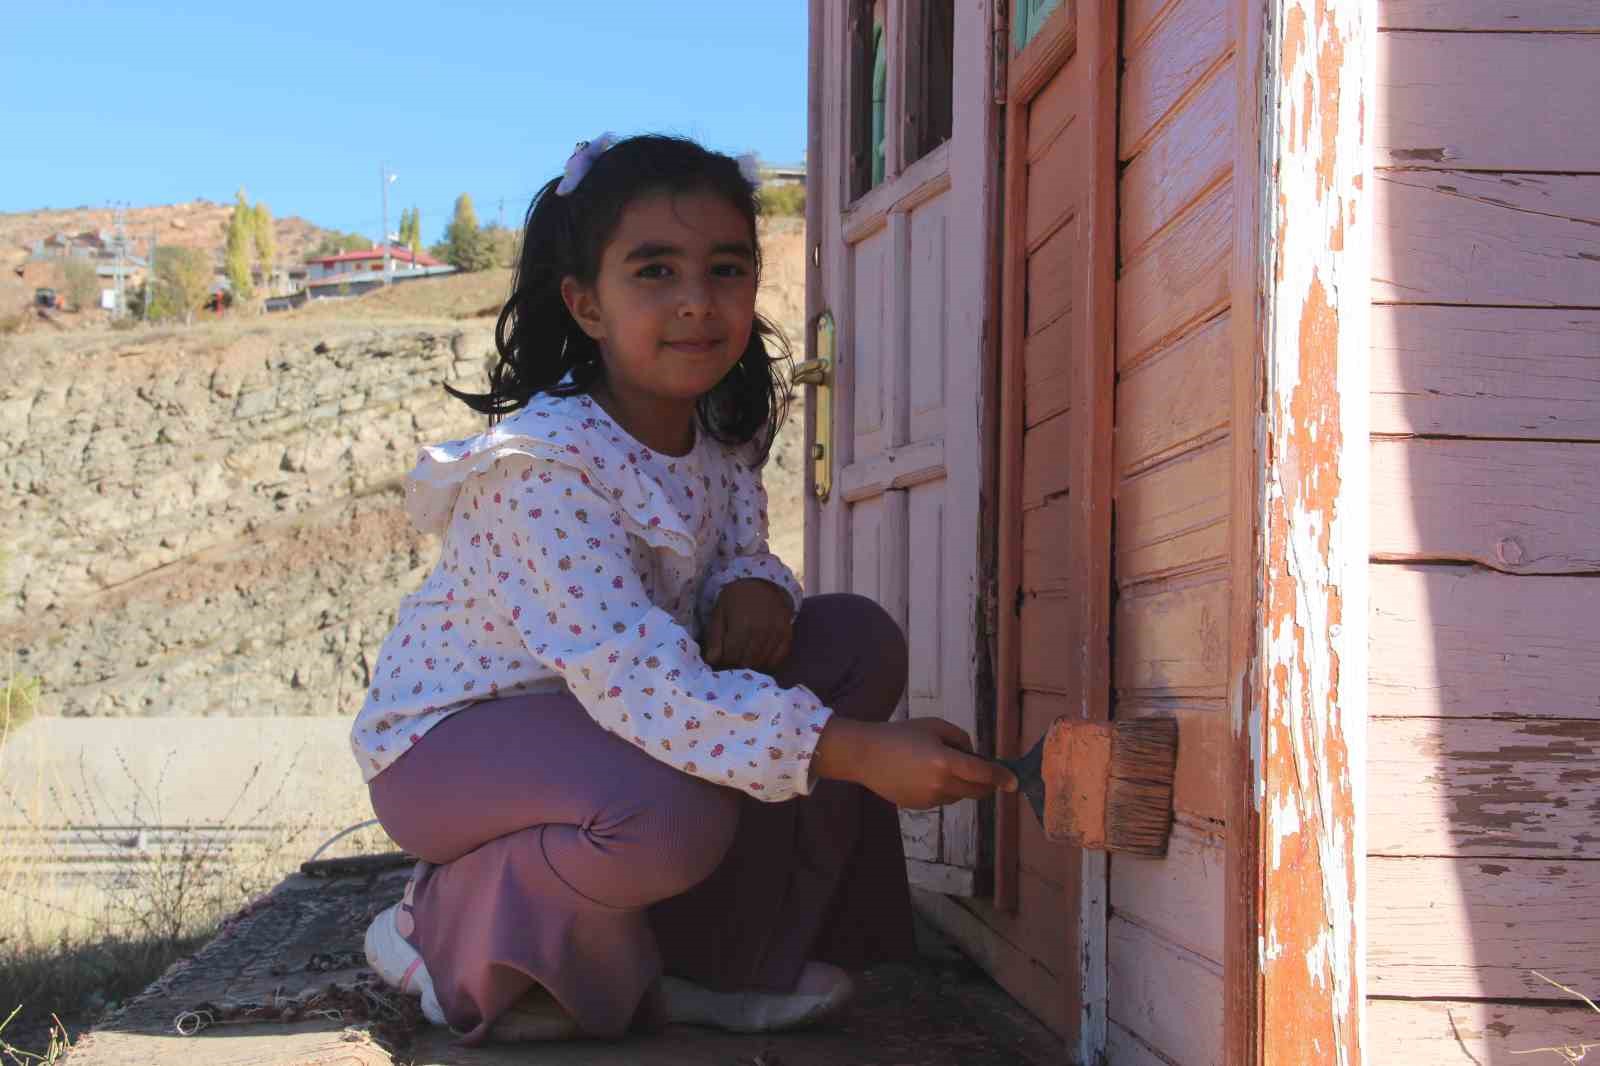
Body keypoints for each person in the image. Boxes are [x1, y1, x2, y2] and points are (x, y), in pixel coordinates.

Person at [350, 132, 1017, 1045]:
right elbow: (640, 681)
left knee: (852, 643)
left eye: (727, 268)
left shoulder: (711, 435)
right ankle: (444, 927)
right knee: (672, 814)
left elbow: (740, 548)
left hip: (604, 729)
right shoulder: (541, 471)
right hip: (454, 744)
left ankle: (723, 962)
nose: (699, 303)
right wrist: (855, 753)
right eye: (654, 271)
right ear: (586, 303)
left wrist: (756, 586)